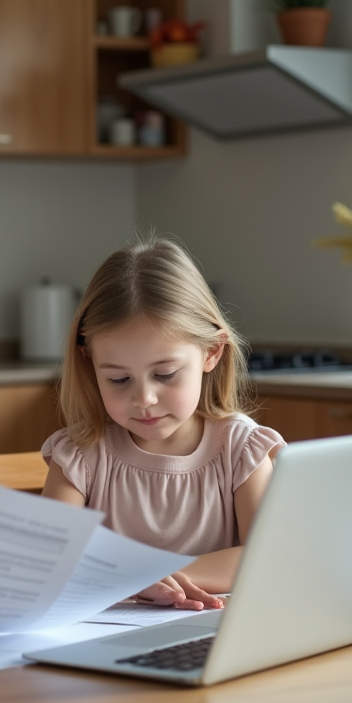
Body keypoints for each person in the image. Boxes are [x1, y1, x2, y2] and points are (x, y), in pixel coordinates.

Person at [40, 236, 282, 611]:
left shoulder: (241, 448)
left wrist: (147, 575)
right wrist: (139, 579)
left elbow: (269, 556)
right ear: (89, 363)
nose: (144, 399)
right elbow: (49, 560)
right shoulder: (78, 455)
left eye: (166, 374)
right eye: (119, 380)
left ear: (211, 353)